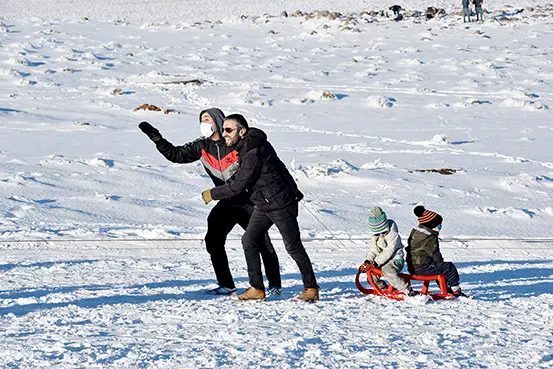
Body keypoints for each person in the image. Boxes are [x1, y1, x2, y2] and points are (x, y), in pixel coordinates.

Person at [138, 108, 282, 296]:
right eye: (201, 120)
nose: (203, 123)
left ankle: (275, 285)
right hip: (226, 202)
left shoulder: (234, 143)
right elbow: (176, 155)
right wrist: (157, 139)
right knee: (213, 241)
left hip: (249, 202)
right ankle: (226, 284)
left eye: (207, 119)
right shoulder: (202, 146)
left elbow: (257, 144)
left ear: (219, 122)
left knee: (261, 242)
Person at [201, 114, 319, 302]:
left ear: (242, 131)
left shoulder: (252, 152)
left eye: (229, 130)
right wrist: (294, 188)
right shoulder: (247, 146)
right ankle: (256, 288)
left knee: (293, 247)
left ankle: (311, 288)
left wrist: (212, 194)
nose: (224, 134)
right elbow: (280, 168)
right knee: (249, 240)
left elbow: (238, 185)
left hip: (280, 204)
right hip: (263, 203)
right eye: (223, 130)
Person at [406, 205, 467, 297]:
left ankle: (445, 287)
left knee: (438, 266)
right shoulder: (429, 237)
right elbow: (435, 254)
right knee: (448, 267)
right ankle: (455, 290)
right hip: (422, 269)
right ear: (430, 225)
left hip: (412, 267)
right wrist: (441, 265)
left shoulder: (416, 234)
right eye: (439, 226)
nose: (440, 228)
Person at [359, 207, 417, 296]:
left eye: (383, 232)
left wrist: (375, 263)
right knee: (371, 275)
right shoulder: (375, 237)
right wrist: (368, 261)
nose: (381, 236)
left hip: (395, 259)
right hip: (380, 261)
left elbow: (389, 251)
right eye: (378, 234)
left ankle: (407, 290)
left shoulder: (393, 235)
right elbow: (373, 250)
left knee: (389, 272)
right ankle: (383, 288)